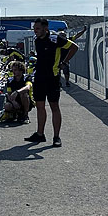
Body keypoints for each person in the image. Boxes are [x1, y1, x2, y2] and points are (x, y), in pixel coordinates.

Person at [25, 17, 78, 148]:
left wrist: (64, 62)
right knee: (40, 106)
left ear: (45, 28)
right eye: (34, 28)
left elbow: (74, 47)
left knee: (54, 107)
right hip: (39, 77)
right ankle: (40, 134)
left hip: (52, 77)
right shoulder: (36, 39)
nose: (35, 31)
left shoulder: (55, 39)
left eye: (38, 28)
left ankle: (56, 137)